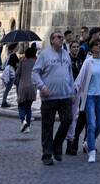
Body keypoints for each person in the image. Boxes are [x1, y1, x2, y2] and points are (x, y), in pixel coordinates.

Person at [32, 29, 75, 165]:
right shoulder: (45, 55)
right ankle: (47, 154)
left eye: (62, 37)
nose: (61, 39)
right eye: (58, 37)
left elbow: (70, 74)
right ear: (52, 40)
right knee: (47, 126)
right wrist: (42, 87)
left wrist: (72, 91)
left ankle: (56, 145)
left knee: (67, 120)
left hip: (65, 96)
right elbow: (35, 73)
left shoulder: (66, 55)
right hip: (49, 97)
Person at [73, 36, 100, 163]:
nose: (99, 46)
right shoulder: (88, 62)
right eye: (96, 44)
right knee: (91, 124)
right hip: (90, 97)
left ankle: (87, 142)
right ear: (92, 48)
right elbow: (80, 78)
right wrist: (74, 91)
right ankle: (92, 150)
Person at [16, 46, 37, 132]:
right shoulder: (36, 62)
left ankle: (23, 122)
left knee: (21, 106)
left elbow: (17, 73)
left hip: (23, 86)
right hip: (32, 87)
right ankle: (27, 127)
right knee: (28, 107)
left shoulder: (22, 62)